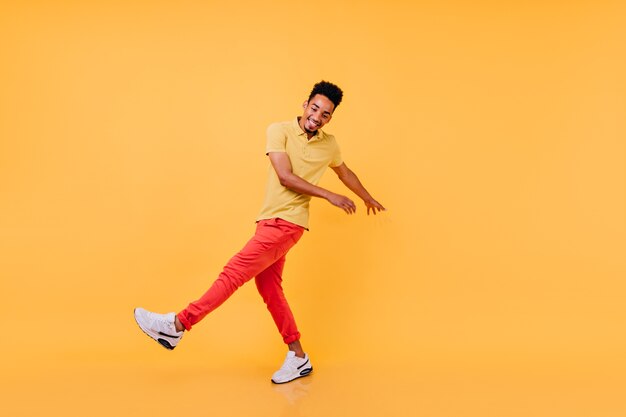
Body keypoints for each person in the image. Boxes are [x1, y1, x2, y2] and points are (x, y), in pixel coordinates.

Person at [134, 80, 385, 384]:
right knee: (269, 288)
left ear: (330, 118)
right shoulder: (278, 130)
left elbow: (345, 172)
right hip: (269, 221)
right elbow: (284, 175)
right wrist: (328, 195)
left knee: (233, 273)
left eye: (326, 114)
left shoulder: (329, 145)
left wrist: (366, 196)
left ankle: (177, 325)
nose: (317, 117)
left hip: (287, 223)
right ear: (304, 105)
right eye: (315, 108)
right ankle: (298, 356)